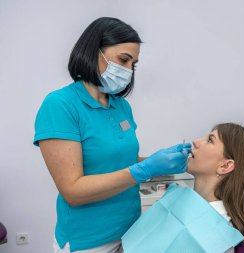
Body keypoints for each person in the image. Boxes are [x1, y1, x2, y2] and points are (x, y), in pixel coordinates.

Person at [33, 17, 191, 253]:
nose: (128, 70)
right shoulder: (60, 105)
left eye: (133, 64)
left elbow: (118, 162)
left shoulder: (120, 106)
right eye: (123, 60)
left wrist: (157, 162)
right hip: (88, 241)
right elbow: (73, 191)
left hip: (130, 233)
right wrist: (144, 169)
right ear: (93, 51)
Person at [187, 123, 244, 252]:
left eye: (210, 140)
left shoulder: (216, 229)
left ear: (225, 166)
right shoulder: (192, 209)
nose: (196, 142)